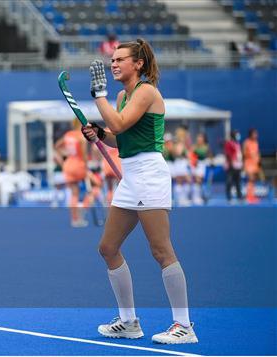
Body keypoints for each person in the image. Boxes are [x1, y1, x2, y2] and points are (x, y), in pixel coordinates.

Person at [81, 38, 198, 344]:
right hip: (131, 175)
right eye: (113, 60)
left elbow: (119, 124)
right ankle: (129, 321)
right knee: (107, 248)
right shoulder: (122, 96)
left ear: (139, 64)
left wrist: (100, 97)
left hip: (149, 174)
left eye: (120, 59)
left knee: (161, 249)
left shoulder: (146, 91)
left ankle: (184, 325)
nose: (114, 64)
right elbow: (119, 138)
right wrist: (99, 134)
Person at [55, 119, 89, 227]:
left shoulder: (68, 135)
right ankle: (79, 215)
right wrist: (86, 166)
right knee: (85, 190)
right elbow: (84, 155)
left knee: (73, 193)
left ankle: (74, 219)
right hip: (78, 165)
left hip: (68, 164)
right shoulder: (81, 136)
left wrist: (64, 156)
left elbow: (57, 146)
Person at [172, 126, 192, 206]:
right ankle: (181, 199)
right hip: (180, 163)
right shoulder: (180, 143)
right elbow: (179, 153)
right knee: (183, 180)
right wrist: (186, 154)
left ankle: (181, 199)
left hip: (180, 163)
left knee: (181, 181)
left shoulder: (178, 142)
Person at [190, 133, 212, 205]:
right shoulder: (195, 146)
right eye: (198, 137)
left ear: (203, 139)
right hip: (195, 165)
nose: (199, 139)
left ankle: (200, 196)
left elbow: (206, 155)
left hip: (202, 165)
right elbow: (191, 155)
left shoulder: (206, 147)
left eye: (200, 137)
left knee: (199, 180)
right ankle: (195, 197)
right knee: (195, 181)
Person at [224, 130, 243, 202]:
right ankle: (229, 196)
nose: (238, 136)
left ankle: (239, 195)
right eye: (236, 134)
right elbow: (228, 154)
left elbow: (239, 154)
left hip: (238, 165)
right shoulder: (229, 143)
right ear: (233, 135)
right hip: (231, 165)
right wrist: (231, 163)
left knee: (238, 181)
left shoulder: (237, 143)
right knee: (229, 180)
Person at [243, 128, 261, 203]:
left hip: (255, 164)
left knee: (253, 180)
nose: (256, 135)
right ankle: (248, 196)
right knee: (250, 179)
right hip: (248, 163)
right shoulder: (246, 142)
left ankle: (252, 196)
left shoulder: (256, 142)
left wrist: (258, 160)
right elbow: (244, 153)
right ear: (251, 134)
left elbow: (257, 152)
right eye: (254, 133)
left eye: (256, 134)